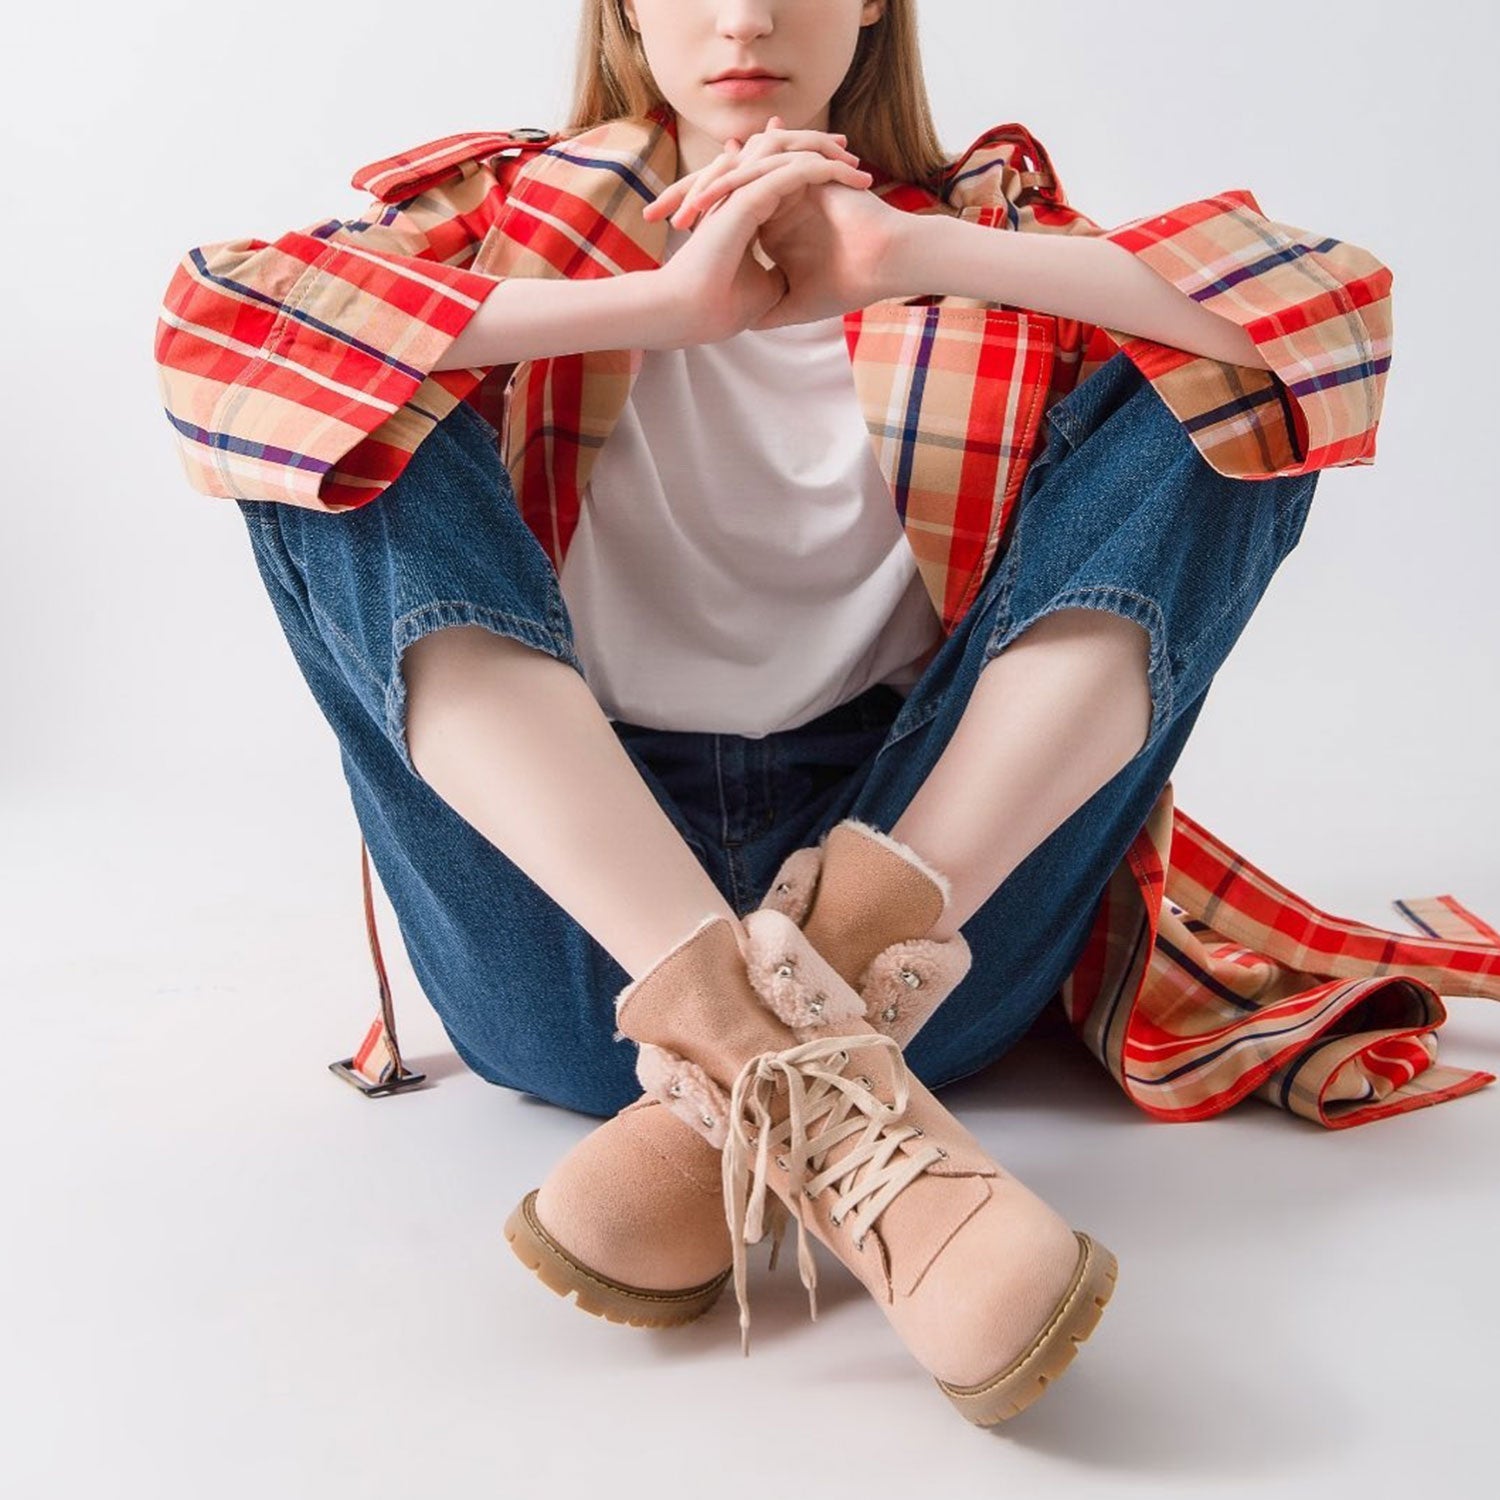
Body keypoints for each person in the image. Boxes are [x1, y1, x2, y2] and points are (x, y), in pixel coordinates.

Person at [155, 0, 1438, 1426]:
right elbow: (216, 326)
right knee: (328, 408)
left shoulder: (990, 233)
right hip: (579, 960)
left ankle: (786, 1027)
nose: (750, 15)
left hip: (934, 944)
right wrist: (659, 304)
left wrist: (912, 257)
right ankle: (766, 1052)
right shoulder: (494, 226)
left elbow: (1331, 314)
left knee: (1245, 394)